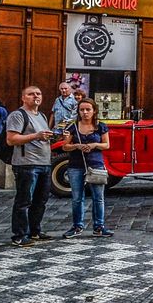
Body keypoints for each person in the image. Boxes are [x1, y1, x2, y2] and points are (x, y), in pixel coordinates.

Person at [6, 86, 54, 247]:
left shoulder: (41, 115)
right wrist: (36, 135)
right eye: (31, 94)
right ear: (23, 98)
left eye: (38, 94)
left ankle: (35, 231)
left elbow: (42, 138)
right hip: (26, 164)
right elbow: (11, 139)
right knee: (24, 201)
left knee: (40, 200)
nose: (36, 96)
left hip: (44, 163)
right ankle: (19, 235)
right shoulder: (17, 115)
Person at [61, 98, 113, 238]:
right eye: (82, 110)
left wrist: (94, 145)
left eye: (88, 109)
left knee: (98, 197)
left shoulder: (101, 126)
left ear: (94, 110)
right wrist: (77, 146)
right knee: (77, 198)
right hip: (76, 165)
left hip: (96, 164)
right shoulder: (73, 127)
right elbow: (65, 146)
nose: (85, 112)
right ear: (78, 111)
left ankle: (99, 226)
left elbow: (107, 145)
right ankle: (77, 226)